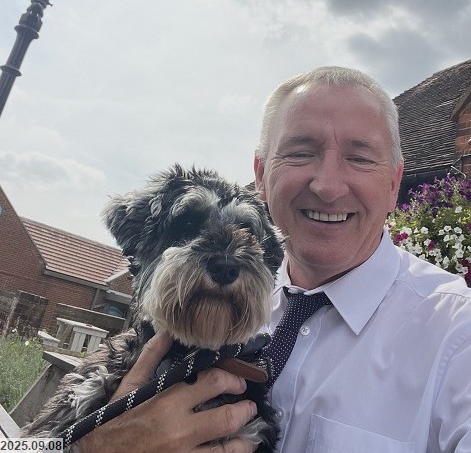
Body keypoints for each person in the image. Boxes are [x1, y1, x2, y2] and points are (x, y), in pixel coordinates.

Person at [78, 66, 471, 453]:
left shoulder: (457, 335)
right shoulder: (182, 307)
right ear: (261, 175)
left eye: (360, 158)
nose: (328, 187)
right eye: (301, 153)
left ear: (393, 184)